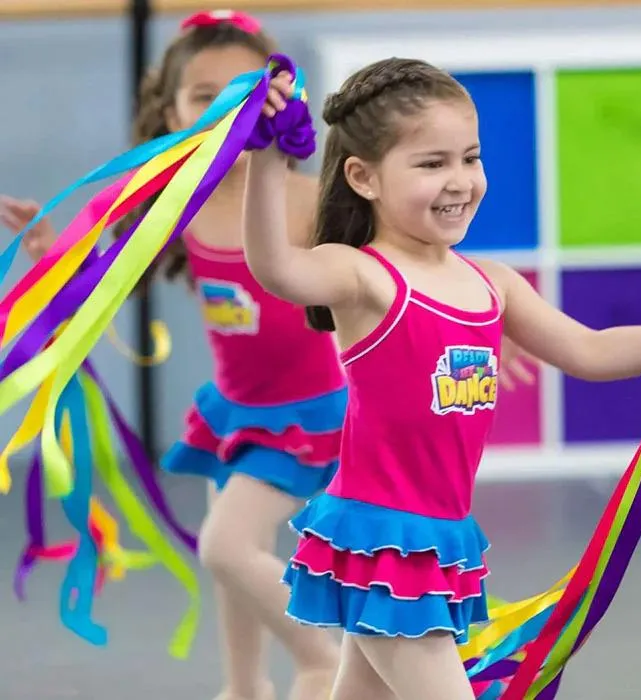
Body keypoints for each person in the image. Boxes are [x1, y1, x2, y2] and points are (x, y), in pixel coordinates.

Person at [0, 18, 533, 699]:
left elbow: (411, 270)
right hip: (239, 411)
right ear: (168, 111)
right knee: (230, 559)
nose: (223, 105)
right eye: (202, 95)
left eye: (242, 90)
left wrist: (488, 322)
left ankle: (317, 654)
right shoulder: (168, 202)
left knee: (224, 545)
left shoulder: (301, 201)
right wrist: (56, 252)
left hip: (315, 416)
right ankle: (245, 684)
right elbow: (96, 268)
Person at [240, 57, 641, 700]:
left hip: (440, 539)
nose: (459, 180)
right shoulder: (364, 275)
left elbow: (590, 351)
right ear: (363, 177)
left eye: (470, 157)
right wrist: (266, 158)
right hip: (382, 545)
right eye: (432, 164)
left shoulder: (494, 284)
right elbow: (278, 271)